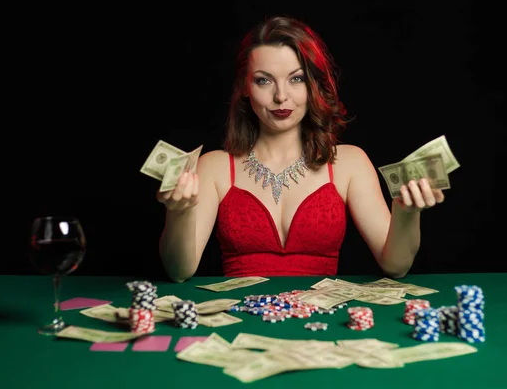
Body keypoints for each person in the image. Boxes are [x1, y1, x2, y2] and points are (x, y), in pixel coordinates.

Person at [157, 16, 445, 282]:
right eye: (264, 80)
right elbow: (179, 272)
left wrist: (406, 212)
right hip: (240, 321)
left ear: (313, 85)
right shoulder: (215, 165)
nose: (281, 96)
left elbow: (396, 266)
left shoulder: (350, 162)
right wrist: (178, 212)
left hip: (319, 327)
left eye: (297, 78)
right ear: (245, 86)